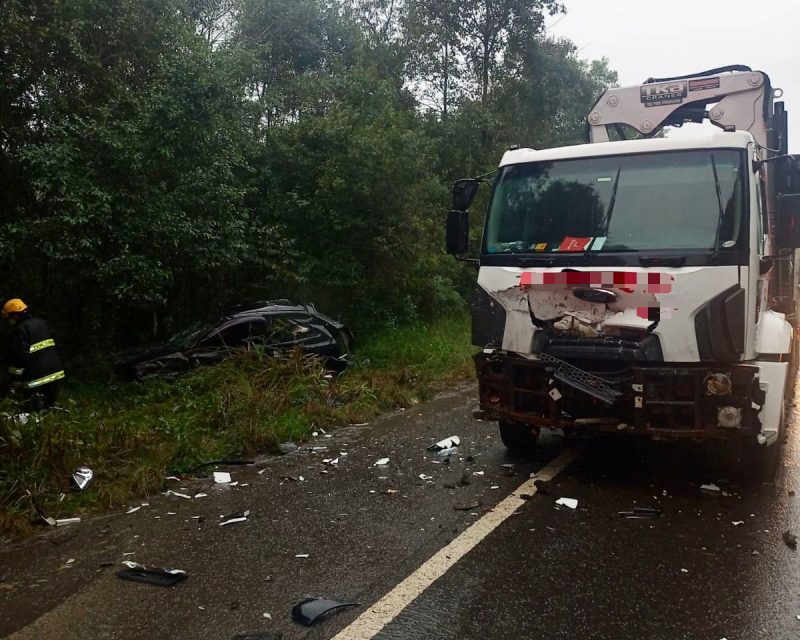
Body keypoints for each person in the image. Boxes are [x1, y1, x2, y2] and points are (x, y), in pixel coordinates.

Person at [3, 298, 65, 412]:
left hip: (35, 378)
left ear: (15, 315)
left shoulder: (20, 329)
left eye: (10, 318)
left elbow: (20, 357)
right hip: (55, 373)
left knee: (32, 412)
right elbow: (57, 345)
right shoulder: (43, 322)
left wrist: (16, 379)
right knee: (49, 409)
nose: (10, 321)